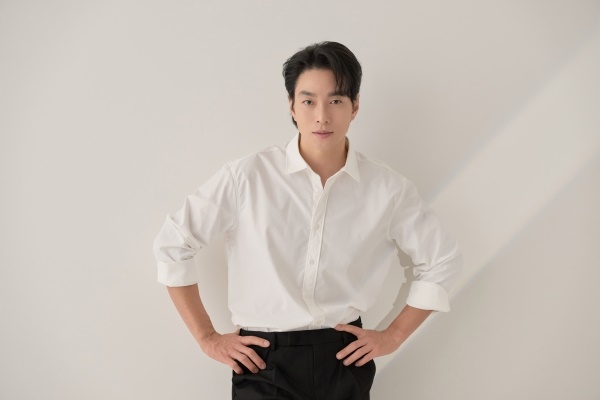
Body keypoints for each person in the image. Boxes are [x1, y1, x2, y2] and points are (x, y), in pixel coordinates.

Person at [153, 41, 462, 400]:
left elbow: (442, 261)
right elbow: (173, 244)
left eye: (336, 101)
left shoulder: (387, 188)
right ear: (292, 106)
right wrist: (207, 338)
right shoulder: (248, 177)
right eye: (308, 101)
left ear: (355, 105)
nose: (322, 116)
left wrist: (393, 336)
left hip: (343, 358)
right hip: (263, 361)